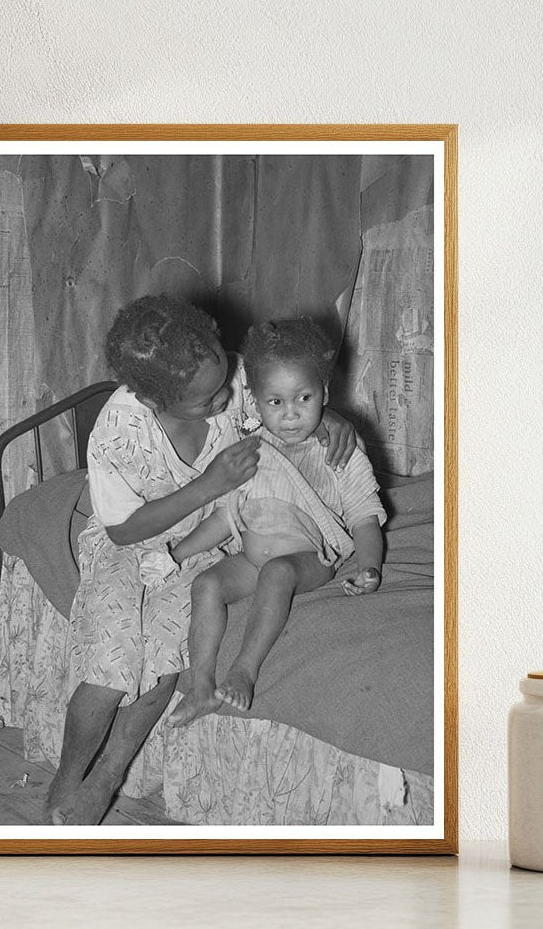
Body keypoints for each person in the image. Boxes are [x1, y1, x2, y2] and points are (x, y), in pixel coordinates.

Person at [45, 296, 356, 825]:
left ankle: (108, 777)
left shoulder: (230, 379)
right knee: (111, 671)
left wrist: (332, 420)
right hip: (128, 545)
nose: (223, 401)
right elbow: (122, 530)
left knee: (164, 659)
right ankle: (67, 777)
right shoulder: (118, 430)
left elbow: (286, 405)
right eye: (203, 401)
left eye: (223, 387)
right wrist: (210, 484)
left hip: (211, 540)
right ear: (149, 398)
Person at [167, 317, 386, 727]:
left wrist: (368, 566)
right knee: (206, 584)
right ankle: (200, 685)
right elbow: (226, 514)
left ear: (324, 392)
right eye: (276, 402)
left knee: (277, 573)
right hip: (249, 559)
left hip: (306, 559)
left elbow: (364, 516)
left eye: (303, 398)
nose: (290, 415)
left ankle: (244, 670)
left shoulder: (339, 452)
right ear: (254, 400)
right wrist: (176, 554)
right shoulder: (250, 449)